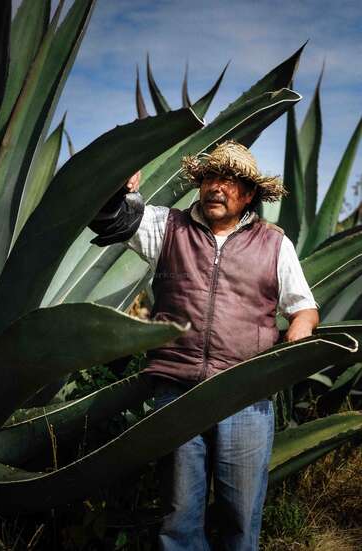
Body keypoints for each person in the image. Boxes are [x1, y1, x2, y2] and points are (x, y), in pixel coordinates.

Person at [89, 140, 319, 550]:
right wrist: (118, 189)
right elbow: (109, 220)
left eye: (231, 181)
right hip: (178, 395)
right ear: (199, 185)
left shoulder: (274, 244)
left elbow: (304, 307)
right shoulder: (167, 228)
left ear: (248, 195)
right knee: (179, 518)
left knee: (240, 515)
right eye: (211, 177)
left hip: (244, 397)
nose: (218, 187)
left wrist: (300, 329)